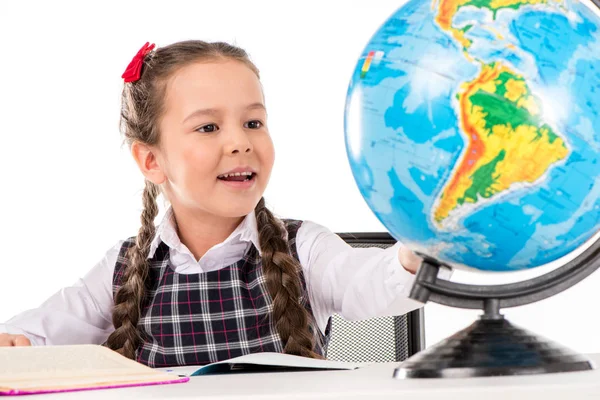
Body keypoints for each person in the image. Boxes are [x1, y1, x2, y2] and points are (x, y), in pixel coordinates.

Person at [0, 40, 425, 367]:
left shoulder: (305, 248)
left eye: (253, 122)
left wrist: (412, 253)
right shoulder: (124, 268)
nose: (240, 142)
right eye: (208, 127)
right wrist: (14, 343)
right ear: (151, 160)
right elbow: (35, 333)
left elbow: (371, 288)